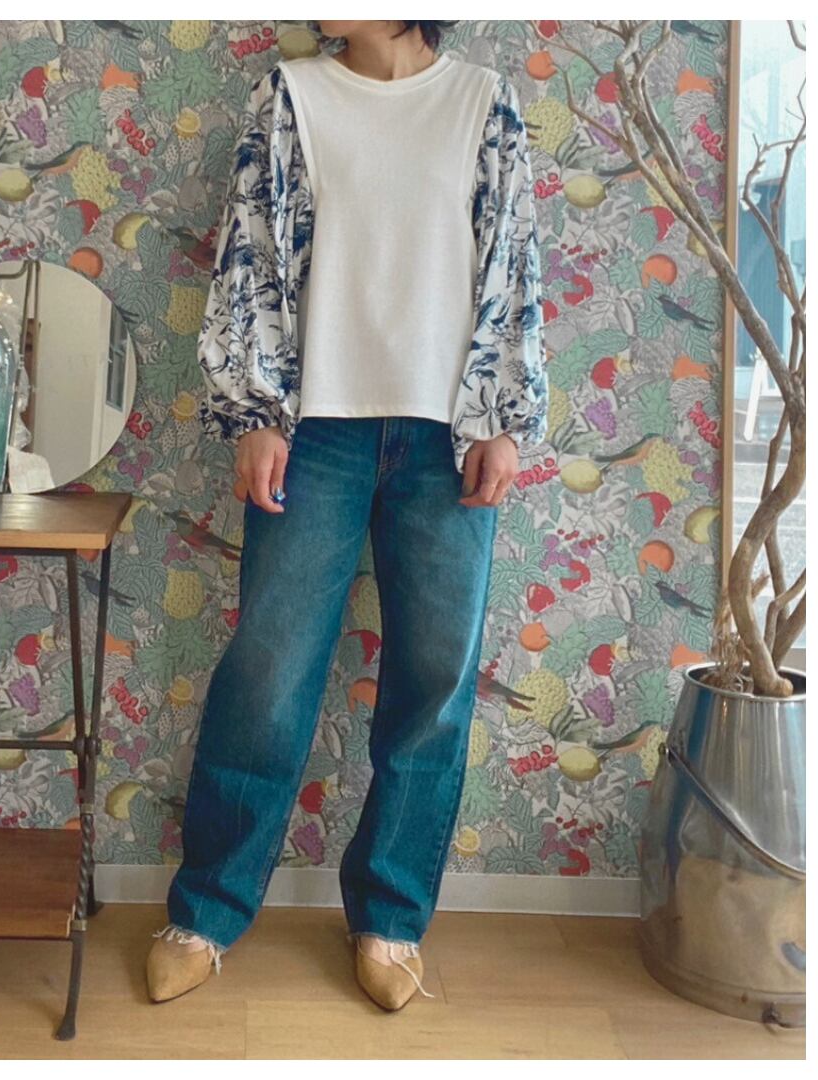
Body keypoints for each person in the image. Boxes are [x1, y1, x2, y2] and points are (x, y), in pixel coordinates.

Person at [146, 19, 548, 1011]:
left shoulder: (482, 101)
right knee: (269, 673)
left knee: (434, 683)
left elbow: (513, 264)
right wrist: (254, 414)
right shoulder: (291, 96)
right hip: (313, 432)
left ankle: (391, 916)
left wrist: (503, 422)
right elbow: (248, 259)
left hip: (448, 438)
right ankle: (206, 910)